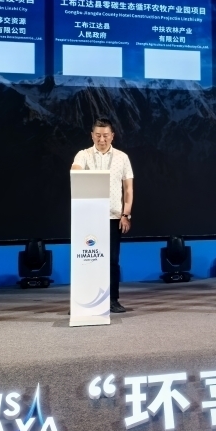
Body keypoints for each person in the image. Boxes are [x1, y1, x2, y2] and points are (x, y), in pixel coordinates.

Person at [71, 118, 134, 313]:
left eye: (105, 135)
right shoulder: (83, 155)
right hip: (88, 218)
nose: (102, 139)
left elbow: (128, 189)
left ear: (112, 136)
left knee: (112, 260)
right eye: (98, 135)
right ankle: (82, 300)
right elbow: (75, 173)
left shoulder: (122, 157)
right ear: (92, 136)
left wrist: (126, 214)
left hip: (113, 217)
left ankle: (113, 300)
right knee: (86, 259)